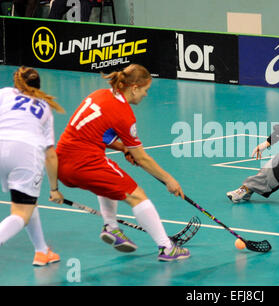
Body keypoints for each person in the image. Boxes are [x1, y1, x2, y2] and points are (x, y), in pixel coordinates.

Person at [56, 63, 190, 261]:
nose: (146, 95)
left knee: (108, 182)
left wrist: (123, 148)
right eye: (145, 90)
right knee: (138, 196)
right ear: (134, 88)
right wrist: (169, 179)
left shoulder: (100, 95)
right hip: (84, 162)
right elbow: (142, 158)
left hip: (60, 163)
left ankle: (111, 227)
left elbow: (102, 135)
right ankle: (167, 247)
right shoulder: (124, 114)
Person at [0, 66, 65, 266]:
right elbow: (50, 155)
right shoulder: (45, 107)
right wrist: (54, 189)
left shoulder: (4, 94)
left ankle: (42, 251)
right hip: (26, 156)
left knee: (28, 204)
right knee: (21, 213)